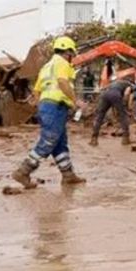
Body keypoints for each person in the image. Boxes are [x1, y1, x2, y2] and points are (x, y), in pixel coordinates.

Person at [11, 36, 87, 188]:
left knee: (59, 143)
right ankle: (23, 171)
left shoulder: (47, 66)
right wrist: (75, 101)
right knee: (49, 141)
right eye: (71, 53)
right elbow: (62, 82)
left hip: (47, 106)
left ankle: (68, 174)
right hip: (56, 106)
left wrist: (42, 107)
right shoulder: (62, 63)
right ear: (68, 52)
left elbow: (37, 90)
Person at [89, 73, 136, 147]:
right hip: (116, 95)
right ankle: (125, 139)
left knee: (100, 116)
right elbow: (127, 94)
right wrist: (126, 106)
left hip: (105, 95)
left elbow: (104, 89)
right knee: (123, 116)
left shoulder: (115, 82)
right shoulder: (130, 84)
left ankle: (94, 139)